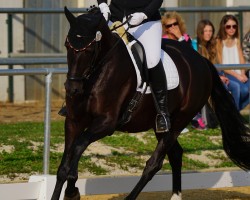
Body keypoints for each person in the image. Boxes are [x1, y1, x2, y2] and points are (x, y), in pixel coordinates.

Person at [97, 0, 170, 133]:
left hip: (145, 23)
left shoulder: (145, 18)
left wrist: (144, 14)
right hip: (115, 19)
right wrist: (102, 4)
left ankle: (162, 113)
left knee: (152, 60)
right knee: (93, 50)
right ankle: (78, 101)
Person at [216, 14, 250, 111]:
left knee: (247, 90)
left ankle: (235, 112)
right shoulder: (219, 41)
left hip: (239, 73)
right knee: (242, 90)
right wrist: (237, 76)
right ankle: (235, 115)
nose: (231, 29)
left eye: (234, 26)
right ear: (224, 27)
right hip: (228, 73)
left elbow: (241, 60)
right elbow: (222, 65)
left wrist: (243, 73)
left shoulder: (237, 40)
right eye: (228, 26)